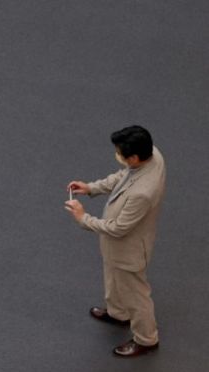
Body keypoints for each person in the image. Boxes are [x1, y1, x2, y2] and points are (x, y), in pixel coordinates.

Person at [64, 125, 166, 357]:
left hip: (128, 249)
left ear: (135, 157)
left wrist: (83, 218)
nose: (118, 157)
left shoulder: (143, 193)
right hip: (116, 249)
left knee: (137, 295)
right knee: (113, 277)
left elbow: (118, 229)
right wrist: (92, 188)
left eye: (121, 154)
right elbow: (124, 176)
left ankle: (146, 338)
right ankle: (118, 313)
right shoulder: (153, 155)